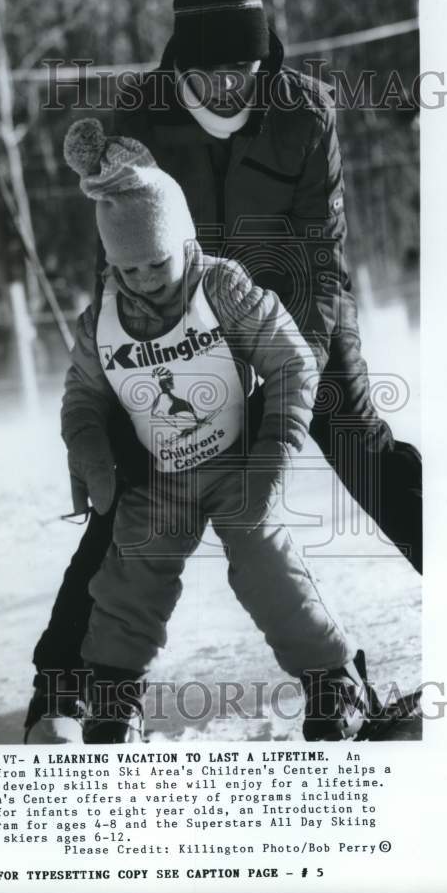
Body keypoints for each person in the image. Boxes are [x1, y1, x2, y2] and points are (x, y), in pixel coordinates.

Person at [25, 0, 421, 743]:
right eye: (207, 73)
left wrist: (289, 378)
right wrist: (118, 377)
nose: (224, 85)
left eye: (239, 72)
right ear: (179, 67)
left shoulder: (305, 111)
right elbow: (119, 244)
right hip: (177, 310)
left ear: (260, 60)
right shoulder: (142, 111)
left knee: (356, 440)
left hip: (291, 309)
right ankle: (59, 691)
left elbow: (319, 258)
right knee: (125, 486)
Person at [58, 117, 373, 744]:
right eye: (129, 268)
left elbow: (291, 361)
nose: (145, 278)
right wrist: (90, 452)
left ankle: (332, 679)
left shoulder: (220, 286)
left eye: (156, 262)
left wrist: (274, 453)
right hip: (161, 473)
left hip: (237, 462)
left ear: (182, 242)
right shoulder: (100, 321)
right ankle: (115, 698)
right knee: (132, 571)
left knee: (265, 562)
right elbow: (82, 399)